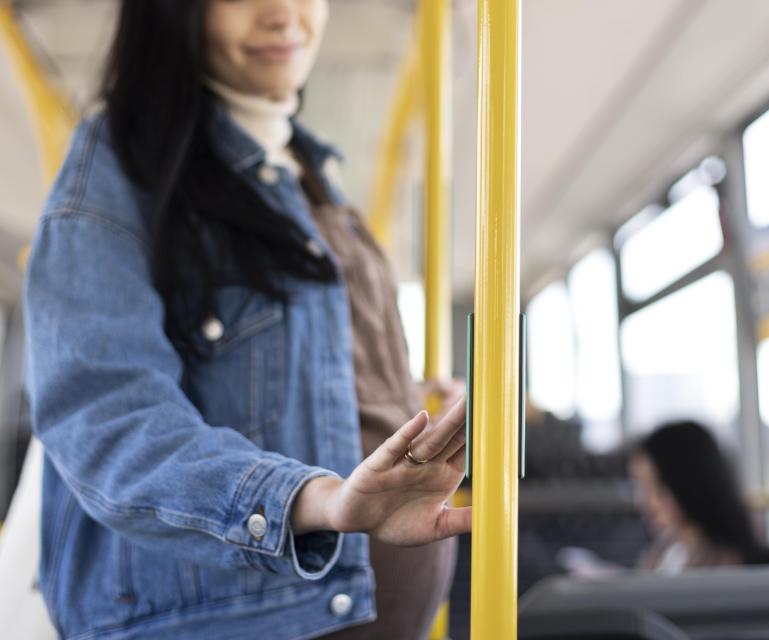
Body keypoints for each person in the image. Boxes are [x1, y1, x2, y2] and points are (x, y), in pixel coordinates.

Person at [23, 1, 470, 638]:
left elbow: (317, 378)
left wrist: (417, 406)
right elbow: (105, 415)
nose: (283, 14)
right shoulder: (120, 164)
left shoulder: (313, 174)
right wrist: (312, 500)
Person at [629, 421, 769, 573]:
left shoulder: (726, 566)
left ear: (688, 484)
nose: (645, 502)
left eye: (658, 487)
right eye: (642, 487)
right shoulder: (666, 549)